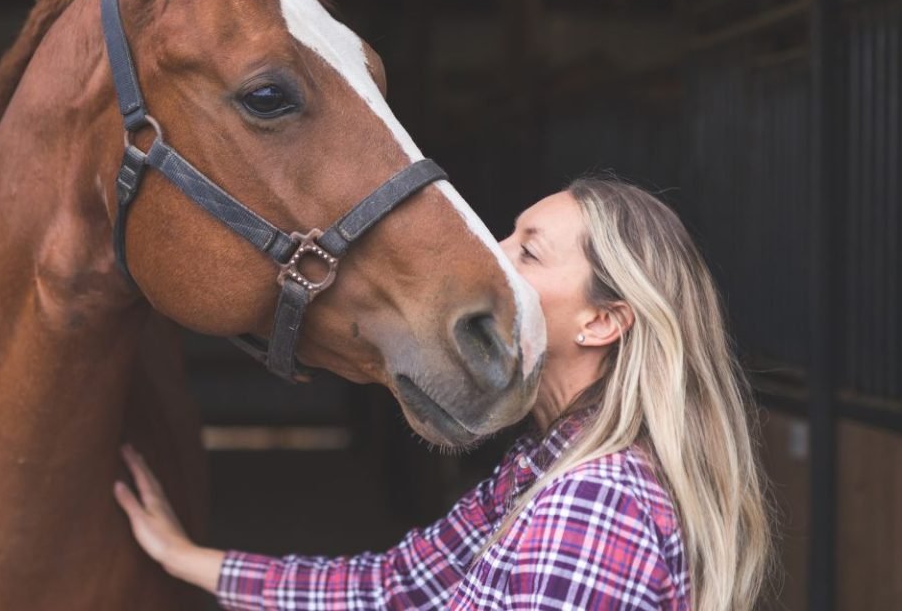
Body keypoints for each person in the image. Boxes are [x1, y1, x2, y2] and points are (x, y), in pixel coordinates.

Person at [114, 177, 774, 611]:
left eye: (530, 253)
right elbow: (394, 587)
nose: (490, 251)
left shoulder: (590, 506)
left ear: (601, 322)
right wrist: (194, 562)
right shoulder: (542, 466)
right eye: (507, 235)